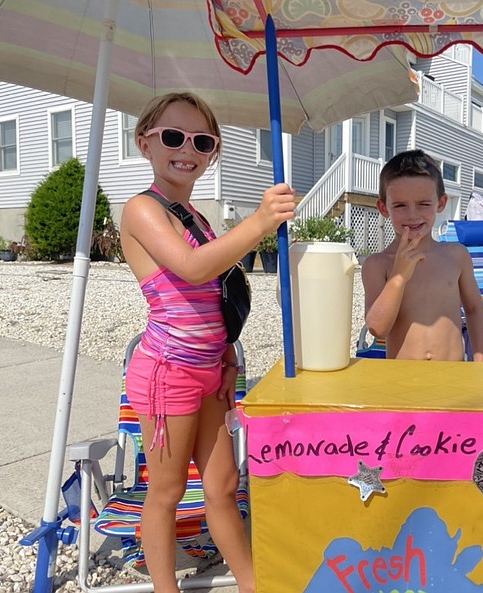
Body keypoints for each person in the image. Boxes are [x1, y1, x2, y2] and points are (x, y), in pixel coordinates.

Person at [120, 92, 295, 593]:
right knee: (168, 489)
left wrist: (226, 358)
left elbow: (209, 294)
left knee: (222, 485)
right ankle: (164, 589)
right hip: (166, 371)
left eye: (202, 141)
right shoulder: (142, 209)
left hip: (208, 372)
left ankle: (250, 582)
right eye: (173, 137)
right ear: (145, 143)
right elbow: (194, 267)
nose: (187, 149)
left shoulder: (193, 214)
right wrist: (259, 222)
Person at [362, 149, 483, 362]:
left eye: (423, 204)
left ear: (440, 203)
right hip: (403, 383)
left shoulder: (456, 256)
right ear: (384, 208)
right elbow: (377, 328)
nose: (412, 214)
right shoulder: (378, 265)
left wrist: (481, 360)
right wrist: (399, 277)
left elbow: (475, 309)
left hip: (453, 378)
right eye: (400, 205)